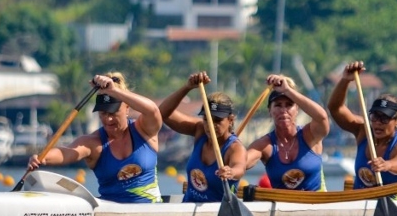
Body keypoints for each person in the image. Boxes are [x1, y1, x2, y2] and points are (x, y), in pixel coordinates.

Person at [27, 73, 162, 203]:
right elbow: (67, 152)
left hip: (152, 215)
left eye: (113, 112)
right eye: (103, 113)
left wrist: (114, 91)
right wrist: (42, 158)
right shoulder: (93, 143)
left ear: (127, 108)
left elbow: (153, 110)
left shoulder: (144, 131)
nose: (108, 119)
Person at [159, 72, 246, 203]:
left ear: (231, 120)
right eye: (207, 119)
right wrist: (186, 87)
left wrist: (231, 172)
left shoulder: (235, 148)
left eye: (217, 120)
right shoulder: (200, 130)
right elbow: (162, 113)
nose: (211, 125)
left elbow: (239, 167)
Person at [328, 61, 397, 189]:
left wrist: (387, 165)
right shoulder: (363, 131)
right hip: (359, 203)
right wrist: (345, 80)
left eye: (384, 118)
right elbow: (335, 108)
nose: (378, 123)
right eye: (375, 117)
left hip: (389, 204)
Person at [245, 74, 331, 191]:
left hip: (316, 206)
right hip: (282, 208)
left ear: (297, 109)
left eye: (289, 105)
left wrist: (287, 90)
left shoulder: (310, 135)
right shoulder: (264, 145)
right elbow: (241, 164)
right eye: (278, 105)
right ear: (270, 111)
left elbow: (322, 118)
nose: (284, 110)